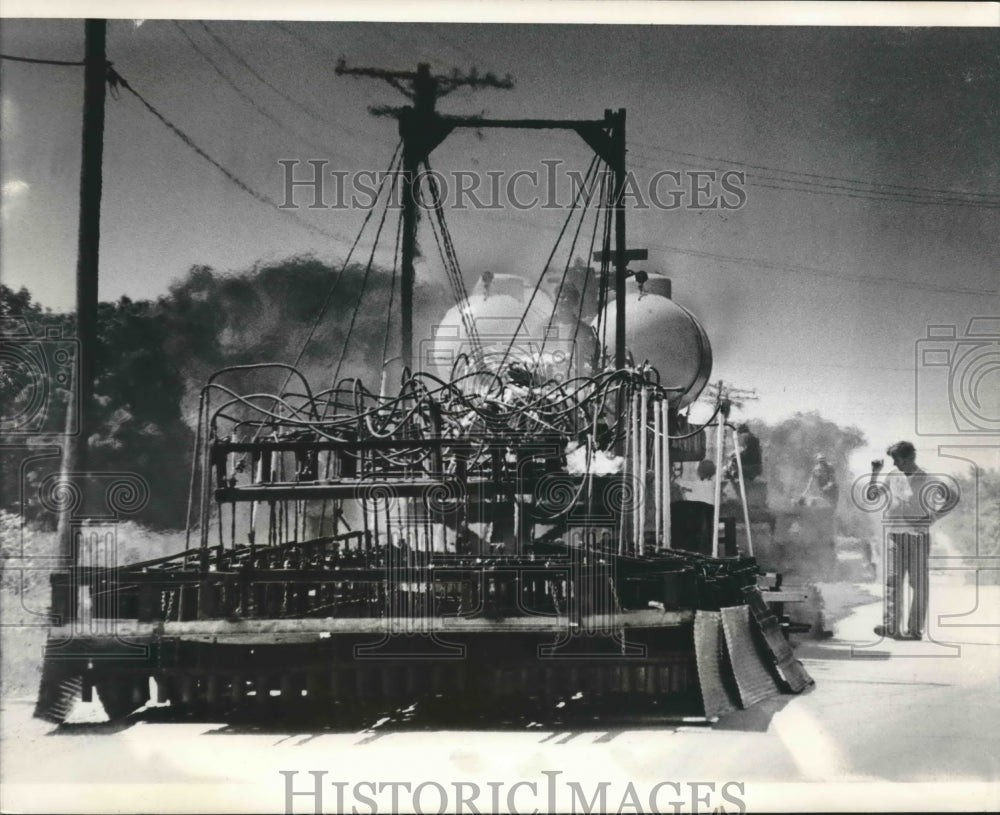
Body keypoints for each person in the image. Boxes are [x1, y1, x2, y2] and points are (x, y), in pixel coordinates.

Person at [868, 441, 954, 641]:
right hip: (894, 535)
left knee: (918, 583)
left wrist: (933, 517)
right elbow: (872, 496)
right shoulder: (892, 476)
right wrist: (874, 474)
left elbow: (952, 498)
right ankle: (891, 627)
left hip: (918, 537)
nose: (894, 464)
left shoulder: (928, 478)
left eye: (897, 460)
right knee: (893, 580)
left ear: (910, 458)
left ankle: (914, 629)